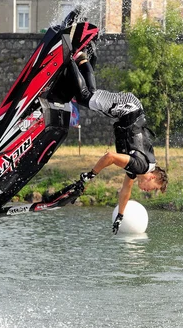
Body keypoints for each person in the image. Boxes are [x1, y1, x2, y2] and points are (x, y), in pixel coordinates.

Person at [71, 52, 168, 234]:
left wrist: (120, 216)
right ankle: (68, 59)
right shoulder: (141, 166)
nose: (146, 191)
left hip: (131, 110)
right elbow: (110, 157)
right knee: (84, 98)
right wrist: (91, 174)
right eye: (150, 189)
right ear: (153, 177)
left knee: (90, 96)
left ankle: (82, 59)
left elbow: (125, 191)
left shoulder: (140, 168)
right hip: (128, 111)